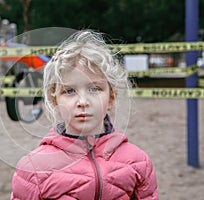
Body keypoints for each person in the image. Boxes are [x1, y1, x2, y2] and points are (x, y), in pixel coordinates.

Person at [11, 30, 158, 200]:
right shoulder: (33, 169)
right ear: (54, 100)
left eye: (94, 89)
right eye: (69, 91)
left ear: (111, 97)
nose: (83, 101)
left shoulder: (139, 162)